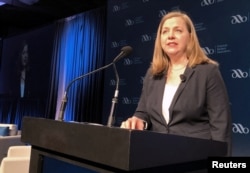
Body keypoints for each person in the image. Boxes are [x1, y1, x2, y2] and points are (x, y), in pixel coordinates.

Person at [120, 10, 232, 156]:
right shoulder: (152, 74)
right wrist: (139, 120)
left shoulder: (208, 72)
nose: (170, 35)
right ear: (160, 39)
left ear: (190, 37)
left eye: (178, 30)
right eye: (165, 32)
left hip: (196, 158)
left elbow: (221, 125)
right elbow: (143, 112)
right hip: (157, 156)